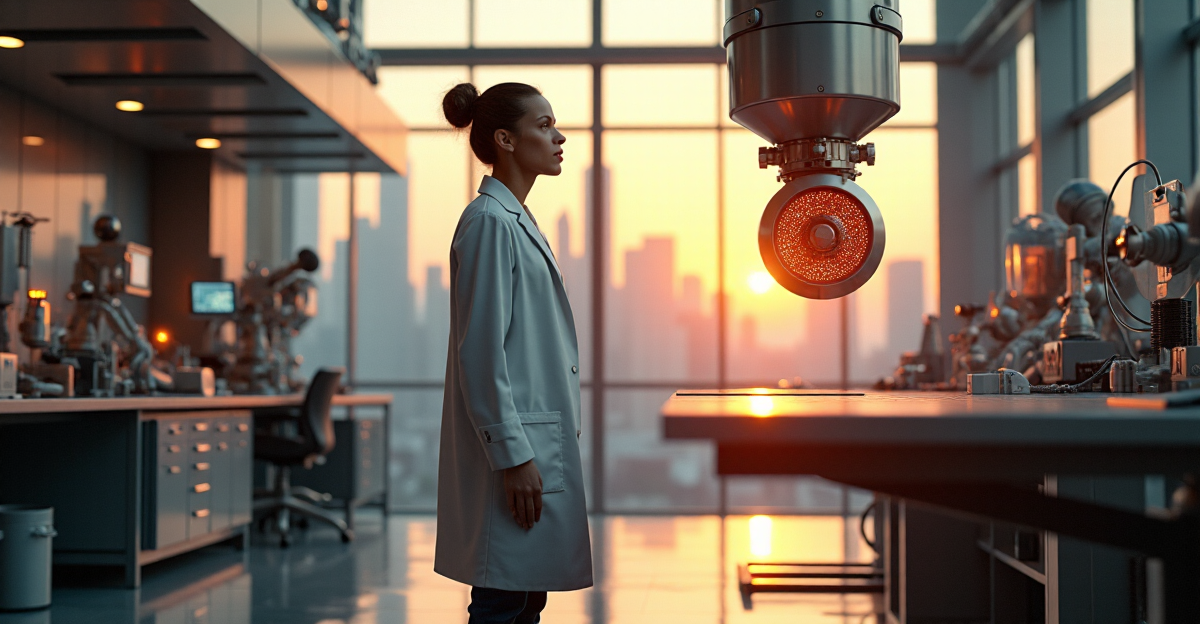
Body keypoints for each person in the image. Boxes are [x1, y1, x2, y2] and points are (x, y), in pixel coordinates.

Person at [434, 81, 593, 624]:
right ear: (505, 139)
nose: (560, 136)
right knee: (504, 600)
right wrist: (514, 455)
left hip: (531, 441)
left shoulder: (514, 220)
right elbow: (479, 354)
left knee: (525, 598)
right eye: (544, 125)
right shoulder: (488, 224)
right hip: (518, 451)